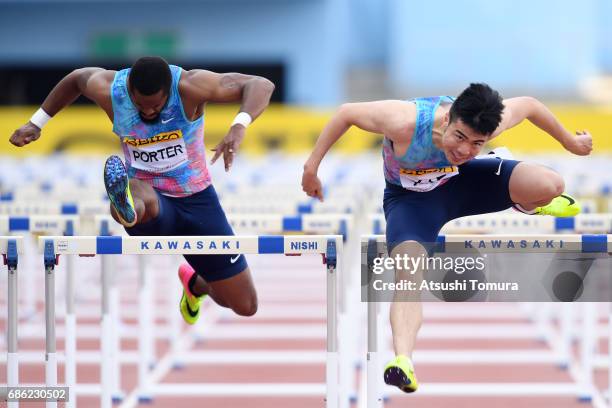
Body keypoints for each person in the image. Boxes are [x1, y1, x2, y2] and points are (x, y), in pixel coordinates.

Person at [301, 83, 592, 393]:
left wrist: (570, 143)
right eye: (460, 137)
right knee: (408, 271)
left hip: (464, 183)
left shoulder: (490, 122)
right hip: (412, 201)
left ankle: (527, 204)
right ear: (447, 119)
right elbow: (346, 113)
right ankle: (403, 360)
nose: (465, 150)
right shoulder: (405, 122)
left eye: (477, 143)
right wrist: (311, 167)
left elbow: (531, 104)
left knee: (551, 184)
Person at [10, 56, 275, 324]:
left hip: (197, 201)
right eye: (140, 105)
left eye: (156, 106)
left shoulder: (190, 86)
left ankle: (195, 284)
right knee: (137, 193)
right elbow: (76, 79)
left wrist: (239, 126)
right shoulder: (110, 89)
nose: (147, 112)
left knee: (245, 304)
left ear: (168, 91)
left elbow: (260, 84)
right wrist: (37, 122)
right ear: (130, 92)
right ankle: (124, 206)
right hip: (150, 199)